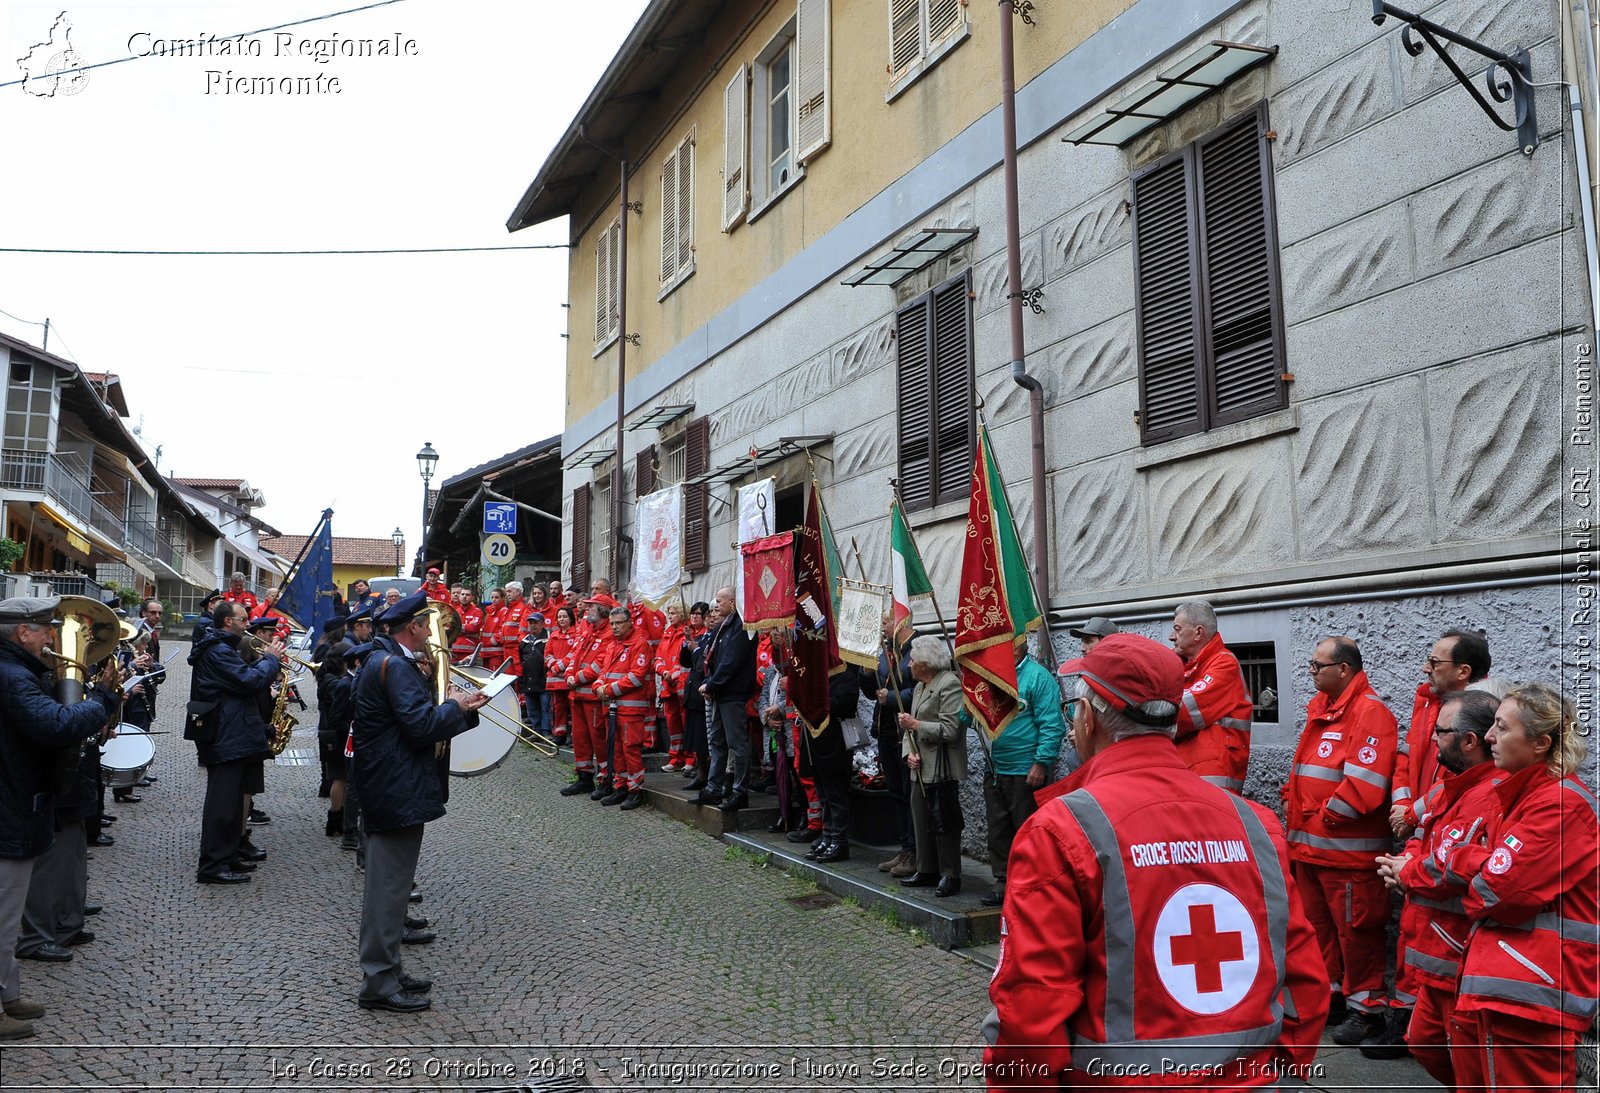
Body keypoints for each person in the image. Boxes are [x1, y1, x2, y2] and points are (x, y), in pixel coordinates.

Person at [984, 633, 1329, 1089]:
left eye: (1073, 711)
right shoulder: (1257, 825)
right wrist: (1281, 1071)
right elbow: (1303, 976)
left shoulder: (1059, 831)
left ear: (1087, 719)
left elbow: (1031, 1005)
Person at [1429, 684, 1598, 1092]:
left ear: (1540, 743)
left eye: (1501, 728)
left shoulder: (1560, 804)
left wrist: (1465, 860)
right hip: (1508, 983)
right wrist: (1480, 861)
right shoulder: (1523, 795)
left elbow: (1495, 892)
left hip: (1532, 990)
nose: (1489, 737)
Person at [351, 592, 487, 1013]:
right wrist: (456, 706)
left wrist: (453, 705)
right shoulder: (394, 665)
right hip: (394, 788)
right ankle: (378, 981)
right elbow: (421, 726)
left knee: (390, 890)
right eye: (428, 625)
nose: (432, 632)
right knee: (387, 892)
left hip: (390, 785)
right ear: (412, 627)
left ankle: (389, 969)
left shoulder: (387, 660)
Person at [0, 597, 117, 1039]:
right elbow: (53, 726)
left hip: (17, 802)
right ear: (22, 634)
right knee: (3, 916)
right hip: (9, 808)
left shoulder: (20, 672)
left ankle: (8, 994)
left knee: (8, 917)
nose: (52, 635)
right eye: (45, 628)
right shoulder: (12, 676)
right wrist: (102, 698)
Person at [1373, 689, 1502, 1086]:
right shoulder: (1454, 782)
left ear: (1469, 742)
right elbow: (1426, 834)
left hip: (1458, 956)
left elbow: (1461, 867)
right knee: (1425, 1042)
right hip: (1432, 953)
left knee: (1470, 1067)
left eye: (1440, 731)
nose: (1431, 739)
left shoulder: (1490, 796)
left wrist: (1408, 871)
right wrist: (1405, 861)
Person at [1282, 635, 1399, 1045]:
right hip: (1311, 851)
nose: (1311, 672)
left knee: (1357, 933)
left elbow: (1365, 785)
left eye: (1317, 666)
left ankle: (1365, 1010)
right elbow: (1309, 773)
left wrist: (1322, 817)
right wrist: (1293, 803)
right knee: (1318, 931)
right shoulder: (1324, 709)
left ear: (1344, 670)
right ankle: (1330, 995)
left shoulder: (1370, 713)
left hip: (1345, 856)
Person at [190, 601, 284, 884]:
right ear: (228, 622)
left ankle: (228, 856)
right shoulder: (218, 651)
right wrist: (269, 660)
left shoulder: (224, 649)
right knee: (221, 805)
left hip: (232, 733)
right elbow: (248, 682)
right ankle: (212, 866)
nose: (248, 624)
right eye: (243, 619)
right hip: (224, 736)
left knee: (231, 804)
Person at [981, 642, 1068, 908]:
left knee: (1028, 831)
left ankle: (1033, 884)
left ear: (1017, 646)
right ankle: (1004, 880)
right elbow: (967, 717)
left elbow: (1052, 723)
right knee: (999, 828)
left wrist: (1041, 762)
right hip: (996, 766)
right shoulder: (991, 675)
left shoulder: (1037, 677)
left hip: (1026, 769)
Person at [896, 635, 966, 895]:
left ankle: (950, 874)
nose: (909, 664)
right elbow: (908, 729)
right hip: (919, 766)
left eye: (913, 660)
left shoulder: (949, 684)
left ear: (925, 663)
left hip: (942, 766)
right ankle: (926, 869)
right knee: (921, 818)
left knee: (944, 820)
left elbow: (951, 730)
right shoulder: (919, 687)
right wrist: (908, 753)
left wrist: (916, 726)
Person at [1169, 600, 1253, 793]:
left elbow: (1180, 714)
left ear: (1198, 632)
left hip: (1211, 778)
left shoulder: (1224, 664)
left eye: (1177, 629)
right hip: (1190, 773)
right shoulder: (1184, 664)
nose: (1172, 637)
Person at [863, 612, 917, 877]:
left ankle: (916, 851)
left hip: (906, 734)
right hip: (886, 731)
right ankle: (904, 847)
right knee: (896, 793)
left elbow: (920, 689)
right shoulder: (886, 652)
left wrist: (893, 697)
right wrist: (866, 673)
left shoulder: (916, 650)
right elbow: (871, 691)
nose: (882, 627)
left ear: (900, 622)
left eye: (885, 622)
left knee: (910, 795)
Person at [697, 586, 756, 813]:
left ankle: (740, 791)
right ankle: (715, 787)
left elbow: (731, 662)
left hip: (733, 694)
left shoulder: (741, 626)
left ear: (732, 601)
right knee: (718, 742)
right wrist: (711, 683)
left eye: (720, 601)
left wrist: (712, 684)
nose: (716, 605)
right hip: (721, 693)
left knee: (737, 744)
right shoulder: (725, 626)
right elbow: (715, 660)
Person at [592, 606, 653, 810]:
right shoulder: (612, 646)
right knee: (616, 750)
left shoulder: (640, 644)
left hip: (630, 710)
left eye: (618, 623)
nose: (615, 627)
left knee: (630, 750)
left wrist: (607, 690)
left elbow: (636, 676)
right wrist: (598, 686)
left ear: (630, 623)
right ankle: (621, 787)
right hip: (612, 709)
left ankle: (635, 790)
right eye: (612, 624)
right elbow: (603, 672)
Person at [562, 596, 617, 799]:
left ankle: (604, 780)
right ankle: (584, 777)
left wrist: (575, 678)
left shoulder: (609, 634)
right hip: (577, 696)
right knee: (580, 740)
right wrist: (569, 674)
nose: (587, 608)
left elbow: (599, 664)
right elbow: (574, 655)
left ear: (602, 610)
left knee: (598, 740)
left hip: (592, 698)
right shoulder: (588, 632)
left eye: (592, 606)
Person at [317, 643, 355, 838]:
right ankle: (335, 819)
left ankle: (335, 819)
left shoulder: (328, 679)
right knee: (340, 778)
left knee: (339, 777)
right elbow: (337, 714)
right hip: (334, 734)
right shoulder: (336, 683)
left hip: (328, 732)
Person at [679, 602, 712, 788]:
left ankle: (707, 775)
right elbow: (686, 662)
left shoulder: (713, 639)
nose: (709, 619)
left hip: (704, 694)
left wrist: (697, 650)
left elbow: (704, 664)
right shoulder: (701, 638)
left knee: (704, 738)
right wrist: (687, 643)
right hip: (693, 693)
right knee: (695, 739)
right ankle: (700, 774)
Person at [545, 606, 576, 744]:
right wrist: (553, 665)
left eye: (564, 616)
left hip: (568, 677)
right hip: (555, 679)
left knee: (572, 707)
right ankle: (560, 733)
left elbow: (574, 653)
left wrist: (559, 666)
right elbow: (547, 653)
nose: (562, 619)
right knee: (558, 707)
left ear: (570, 618)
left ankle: (572, 734)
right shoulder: (554, 635)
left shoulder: (577, 635)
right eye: (559, 617)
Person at [518, 613, 549, 736]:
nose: (532, 625)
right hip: (529, 680)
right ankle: (537, 731)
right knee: (532, 708)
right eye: (530, 623)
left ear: (542, 623)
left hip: (544, 680)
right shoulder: (524, 641)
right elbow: (521, 659)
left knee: (545, 708)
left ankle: (546, 732)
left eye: (535, 623)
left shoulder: (549, 638)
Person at [498, 582, 529, 678]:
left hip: (516, 648)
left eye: (510, 591)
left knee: (518, 674)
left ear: (519, 592)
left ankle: (519, 693)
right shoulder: (510, 608)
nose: (507, 594)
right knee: (508, 675)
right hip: (506, 648)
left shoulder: (523, 607)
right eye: (507, 592)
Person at [480, 587, 507, 672]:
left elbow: (503, 630)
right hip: (486, 652)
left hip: (496, 652)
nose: (494, 600)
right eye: (492, 597)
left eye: (497, 597)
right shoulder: (489, 612)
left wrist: (492, 641)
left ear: (502, 598)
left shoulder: (503, 611)